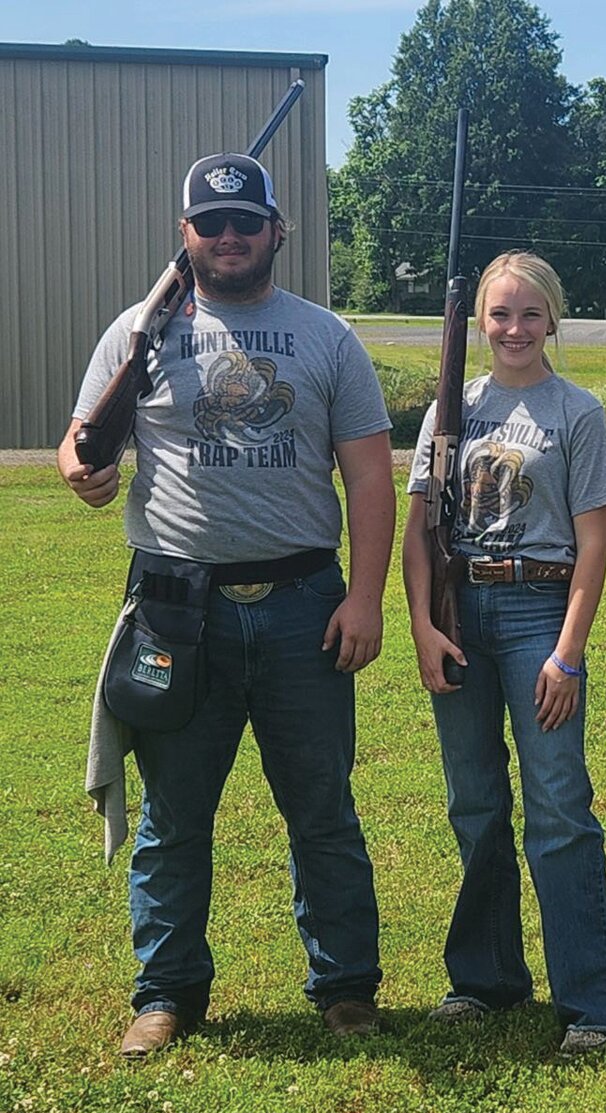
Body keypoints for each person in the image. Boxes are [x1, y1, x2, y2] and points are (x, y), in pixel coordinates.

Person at [58, 153, 395, 1057]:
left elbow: (368, 477)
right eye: (212, 223)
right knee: (173, 815)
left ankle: (346, 987)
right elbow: (80, 438)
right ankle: (165, 994)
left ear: (277, 230)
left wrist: (365, 597)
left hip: (303, 605)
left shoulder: (327, 337)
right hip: (176, 608)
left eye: (247, 220)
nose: (230, 236)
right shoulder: (141, 330)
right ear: (187, 235)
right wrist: (80, 469)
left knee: (321, 805)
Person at [402, 250, 606, 1056]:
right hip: (460, 613)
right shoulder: (449, 410)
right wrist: (423, 625)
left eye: (530, 314)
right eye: (500, 314)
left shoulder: (576, 413)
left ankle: (593, 1001)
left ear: (553, 320)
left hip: (541, 611)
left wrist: (568, 652)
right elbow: (419, 529)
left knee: (560, 809)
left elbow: (595, 544)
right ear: (479, 320)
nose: (514, 329)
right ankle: (485, 978)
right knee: (475, 804)